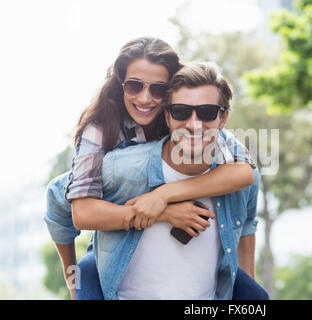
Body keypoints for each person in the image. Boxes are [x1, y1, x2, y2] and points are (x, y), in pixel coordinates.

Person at [44, 37, 257, 299]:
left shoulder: (195, 122)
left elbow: (245, 172)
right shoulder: (102, 130)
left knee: (254, 296)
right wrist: (161, 212)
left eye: (158, 89)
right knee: (85, 276)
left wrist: (163, 195)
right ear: (121, 84)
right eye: (134, 86)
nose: (145, 98)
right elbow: (72, 205)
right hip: (111, 242)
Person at [90, 61, 268, 299]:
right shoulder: (121, 167)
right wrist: (76, 284)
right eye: (181, 112)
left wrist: (163, 195)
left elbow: (246, 226)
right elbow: (61, 204)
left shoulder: (243, 176)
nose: (194, 125)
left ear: (223, 119)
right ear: (167, 117)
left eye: (207, 113)